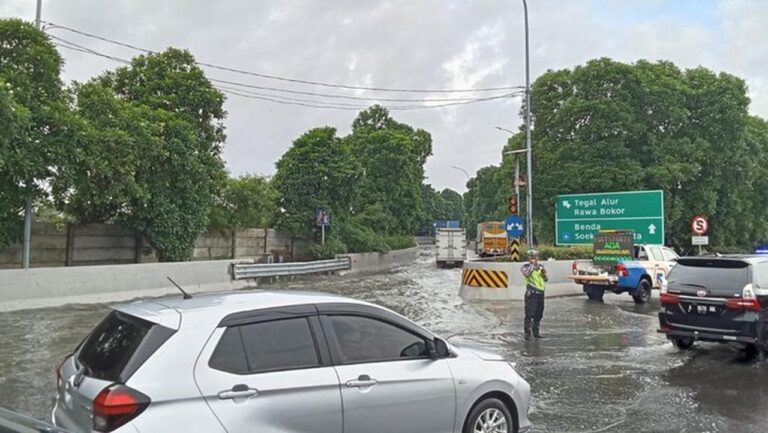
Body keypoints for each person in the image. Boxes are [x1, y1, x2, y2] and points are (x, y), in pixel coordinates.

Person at [521, 249, 548, 340]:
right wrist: (532, 265)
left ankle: (536, 332)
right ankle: (527, 334)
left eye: (535, 257)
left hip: (541, 293)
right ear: (528, 258)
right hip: (531, 293)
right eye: (531, 257)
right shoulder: (525, 267)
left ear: (538, 258)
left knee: (539, 313)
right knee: (529, 314)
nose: (533, 258)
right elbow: (527, 274)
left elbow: (546, 279)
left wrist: (543, 273)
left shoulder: (540, 267)